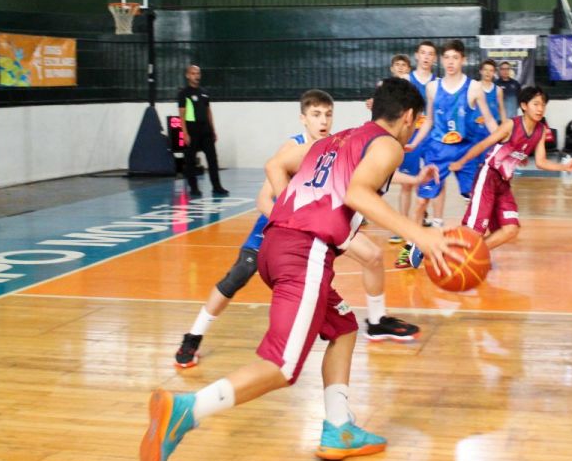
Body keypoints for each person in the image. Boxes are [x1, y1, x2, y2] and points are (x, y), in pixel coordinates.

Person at [140, 78, 464, 461]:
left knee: (344, 328)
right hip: (303, 252)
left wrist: (294, 211)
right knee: (282, 365)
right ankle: (187, 410)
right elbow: (358, 194)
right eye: (415, 125)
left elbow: (275, 164)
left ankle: (339, 427)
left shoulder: (338, 139)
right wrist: (420, 234)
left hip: (276, 246)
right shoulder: (389, 145)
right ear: (409, 117)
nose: (414, 131)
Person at [174, 90, 424, 369]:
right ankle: (194, 334)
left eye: (328, 114)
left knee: (373, 256)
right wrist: (298, 214)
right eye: (316, 114)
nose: (324, 120)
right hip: (278, 227)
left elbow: (369, 172)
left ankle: (376, 321)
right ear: (303, 119)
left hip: (313, 230)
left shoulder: (339, 142)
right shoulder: (293, 147)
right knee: (237, 276)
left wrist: (408, 176)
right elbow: (263, 199)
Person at [446, 87, 572, 251]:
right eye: (536, 104)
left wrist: (564, 167)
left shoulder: (540, 131)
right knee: (473, 231)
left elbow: (541, 162)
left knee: (510, 229)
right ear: (524, 105)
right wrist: (461, 162)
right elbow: (483, 144)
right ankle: (439, 248)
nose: (540, 108)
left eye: (543, 105)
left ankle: (474, 255)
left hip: (503, 184)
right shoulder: (511, 125)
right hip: (488, 177)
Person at [405, 40, 498, 234]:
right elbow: (428, 121)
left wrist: (502, 141)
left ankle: (473, 241)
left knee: (474, 198)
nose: (450, 62)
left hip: (465, 149)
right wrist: (413, 143)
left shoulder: (474, 87)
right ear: (441, 60)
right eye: (447, 57)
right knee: (422, 199)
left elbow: (489, 120)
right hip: (437, 149)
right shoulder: (432, 87)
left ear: (463, 60)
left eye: (455, 57)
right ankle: (412, 243)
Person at [391, 42, 437, 247]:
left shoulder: (439, 83)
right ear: (417, 56)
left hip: (431, 136)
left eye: (430, 54)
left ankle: (431, 221)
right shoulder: (406, 80)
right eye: (423, 53)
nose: (426, 57)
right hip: (410, 136)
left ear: (434, 59)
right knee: (407, 182)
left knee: (433, 179)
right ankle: (402, 226)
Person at [177, 65, 229, 197]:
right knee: (190, 161)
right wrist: (184, 133)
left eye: (198, 73)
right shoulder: (184, 94)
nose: (196, 76)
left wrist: (213, 129)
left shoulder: (204, 92)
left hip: (205, 130)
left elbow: (208, 111)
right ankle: (194, 188)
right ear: (188, 75)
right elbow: (181, 115)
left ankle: (217, 186)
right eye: (193, 73)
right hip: (191, 130)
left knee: (212, 159)